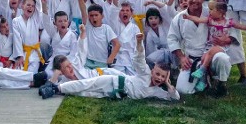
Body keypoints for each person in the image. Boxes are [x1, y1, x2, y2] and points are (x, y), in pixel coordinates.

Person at [39, 33, 179, 101]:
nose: (159, 78)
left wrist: (168, 84)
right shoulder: (145, 73)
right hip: (114, 80)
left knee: (88, 93)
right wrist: (138, 43)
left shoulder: (156, 91)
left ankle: (59, 91)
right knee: (87, 84)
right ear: (153, 70)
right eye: (158, 74)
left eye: (162, 76)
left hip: (115, 94)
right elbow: (139, 59)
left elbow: (174, 98)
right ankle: (56, 88)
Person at [182, 0, 246, 92]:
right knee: (203, 58)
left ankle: (202, 69)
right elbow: (199, 20)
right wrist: (189, 17)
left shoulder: (228, 22)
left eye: (212, 10)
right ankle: (203, 81)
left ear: (220, 12)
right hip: (209, 46)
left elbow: (243, 26)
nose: (209, 12)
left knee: (209, 54)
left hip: (222, 47)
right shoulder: (210, 20)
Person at [167, 0, 234, 97]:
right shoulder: (179, 17)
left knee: (223, 58)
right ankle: (205, 80)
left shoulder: (212, 13)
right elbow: (172, 38)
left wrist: (226, 39)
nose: (194, 1)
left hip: (212, 56)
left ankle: (221, 84)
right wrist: (182, 57)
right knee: (183, 90)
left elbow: (231, 31)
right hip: (192, 59)